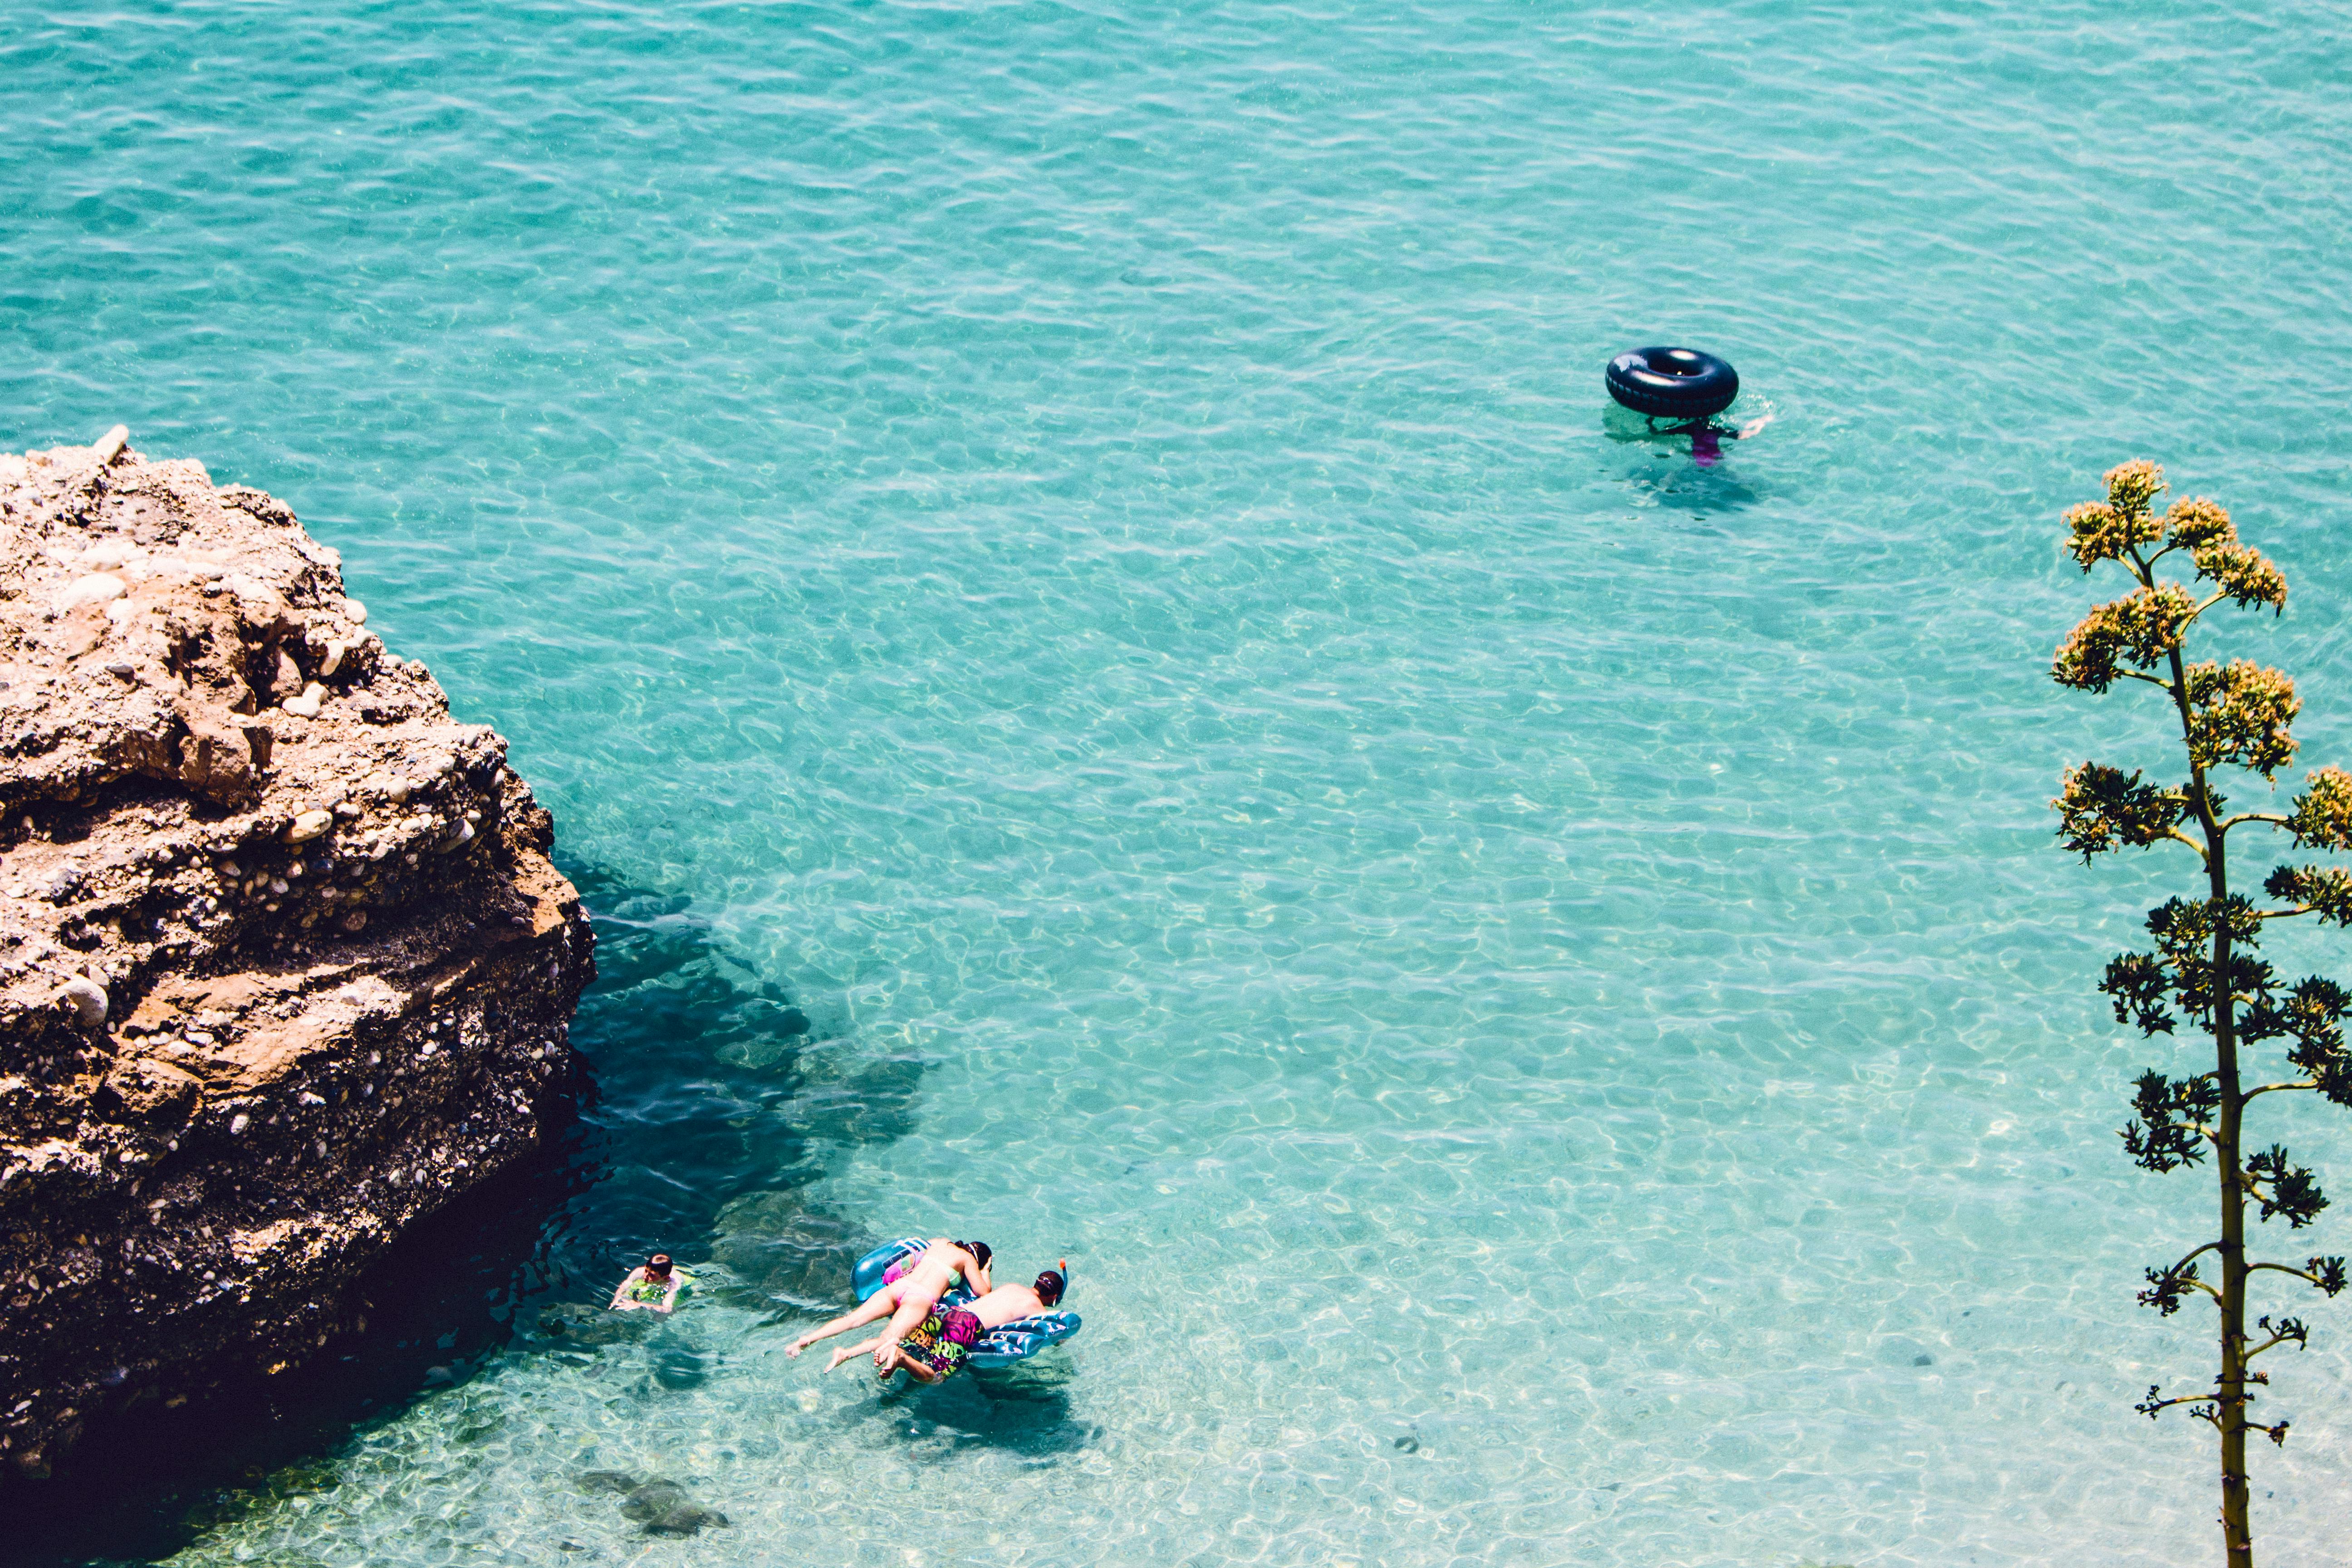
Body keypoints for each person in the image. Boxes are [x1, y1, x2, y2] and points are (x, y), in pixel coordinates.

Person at [826, 1260, 1069, 1382]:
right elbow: (1052, 1332)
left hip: (951, 1313)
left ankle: (848, 1352)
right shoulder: (1038, 1308)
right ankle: (899, 1358)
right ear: (1054, 1297)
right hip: (966, 1327)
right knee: (936, 1377)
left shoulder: (1013, 1287)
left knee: (910, 1342)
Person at [784, 1238, 993, 1360]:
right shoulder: (967, 1260)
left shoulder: (940, 1242)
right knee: (889, 1338)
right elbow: (984, 1292)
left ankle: (805, 1340)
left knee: (852, 1320)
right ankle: (845, 1354)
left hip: (898, 1287)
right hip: (920, 1298)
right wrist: (985, 1269)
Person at [1666, 410, 1773, 468]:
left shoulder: (1690, 428)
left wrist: (1650, 423)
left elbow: (1664, 433)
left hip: (1697, 459)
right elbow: (1742, 435)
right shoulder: (1715, 429)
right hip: (1715, 459)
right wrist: (1759, 425)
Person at [609, 1253, 688, 1314]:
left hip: (686, 1280)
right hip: (666, 1273)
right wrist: (617, 1298)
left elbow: (667, 1309)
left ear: (665, 1277)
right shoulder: (639, 1271)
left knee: (660, 1318)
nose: (646, 1276)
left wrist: (640, 1305)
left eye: (652, 1275)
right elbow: (625, 1285)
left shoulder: (675, 1284)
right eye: (646, 1271)